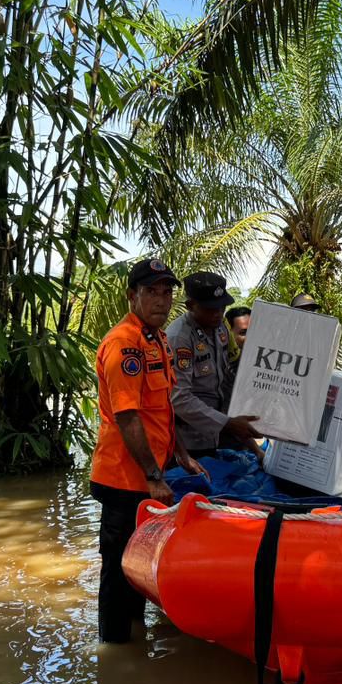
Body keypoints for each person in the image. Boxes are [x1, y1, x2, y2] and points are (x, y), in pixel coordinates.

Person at [90, 259, 207, 643]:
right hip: (125, 478)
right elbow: (127, 418)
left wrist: (181, 454)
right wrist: (154, 477)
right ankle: (113, 648)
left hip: (148, 475)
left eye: (167, 292)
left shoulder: (156, 340)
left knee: (136, 564)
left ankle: (136, 635)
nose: (162, 300)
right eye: (152, 292)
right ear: (132, 295)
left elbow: (164, 410)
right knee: (117, 568)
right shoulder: (125, 345)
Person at [167, 272, 261, 457]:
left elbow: (226, 383)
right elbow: (179, 398)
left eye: (222, 307)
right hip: (185, 445)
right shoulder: (180, 338)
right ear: (191, 306)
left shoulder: (220, 328)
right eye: (210, 308)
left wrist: (255, 448)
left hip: (214, 437)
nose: (218, 314)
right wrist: (227, 423)